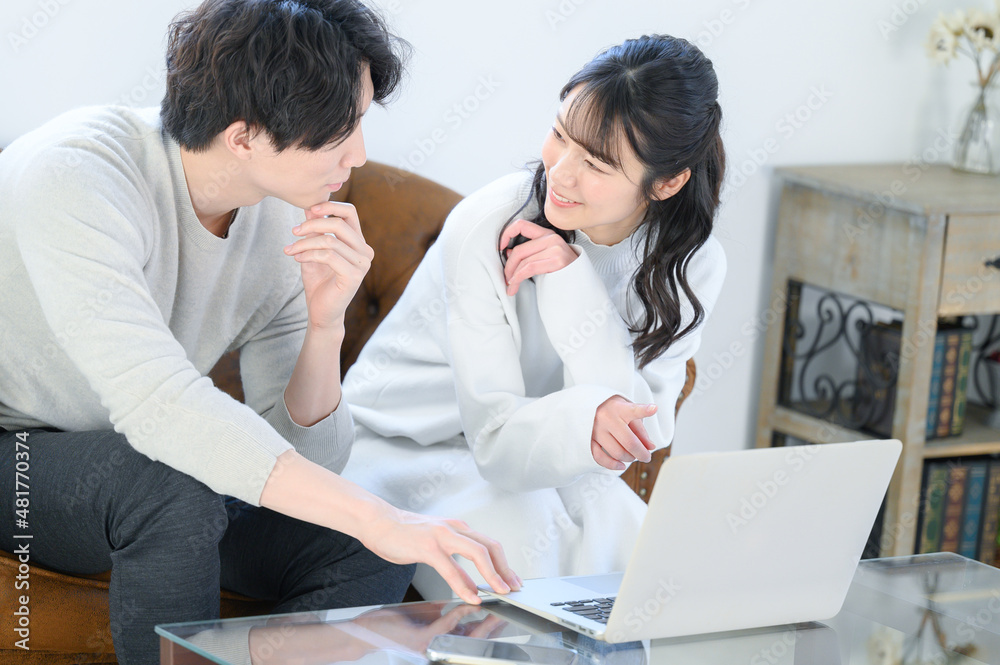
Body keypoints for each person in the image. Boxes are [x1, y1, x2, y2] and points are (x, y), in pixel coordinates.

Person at [0, 1, 518, 663]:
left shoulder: (280, 219)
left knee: (366, 544)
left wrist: (324, 325)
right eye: (341, 131)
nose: (359, 154)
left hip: (158, 461)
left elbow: (310, 464)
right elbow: (160, 407)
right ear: (243, 137)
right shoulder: (77, 177)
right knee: (172, 492)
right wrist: (381, 517)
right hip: (21, 457)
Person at [340, 34, 728, 598]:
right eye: (560, 135)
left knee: (657, 578)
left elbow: (637, 430)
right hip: (404, 450)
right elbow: (495, 441)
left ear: (667, 183)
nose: (561, 174)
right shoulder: (488, 224)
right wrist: (592, 416)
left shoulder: (693, 263)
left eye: (596, 163)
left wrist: (576, 287)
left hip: (550, 457)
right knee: (526, 579)